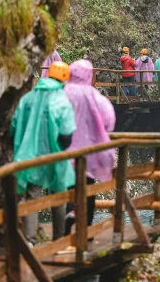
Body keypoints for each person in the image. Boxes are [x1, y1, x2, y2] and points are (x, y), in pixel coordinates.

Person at [10, 61, 76, 247]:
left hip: (28, 156)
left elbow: (14, 126)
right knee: (59, 195)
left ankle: (29, 241)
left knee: (32, 195)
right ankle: (59, 239)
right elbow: (66, 136)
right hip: (54, 156)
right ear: (64, 80)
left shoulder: (28, 98)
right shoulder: (62, 101)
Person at [63, 59, 116, 235]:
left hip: (64, 155)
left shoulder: (62, 93)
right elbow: (109, 120)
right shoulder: (94, 96)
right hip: (88, 155)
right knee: (88, 190)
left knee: (68, 190)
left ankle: (68, 223)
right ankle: (84, 230)